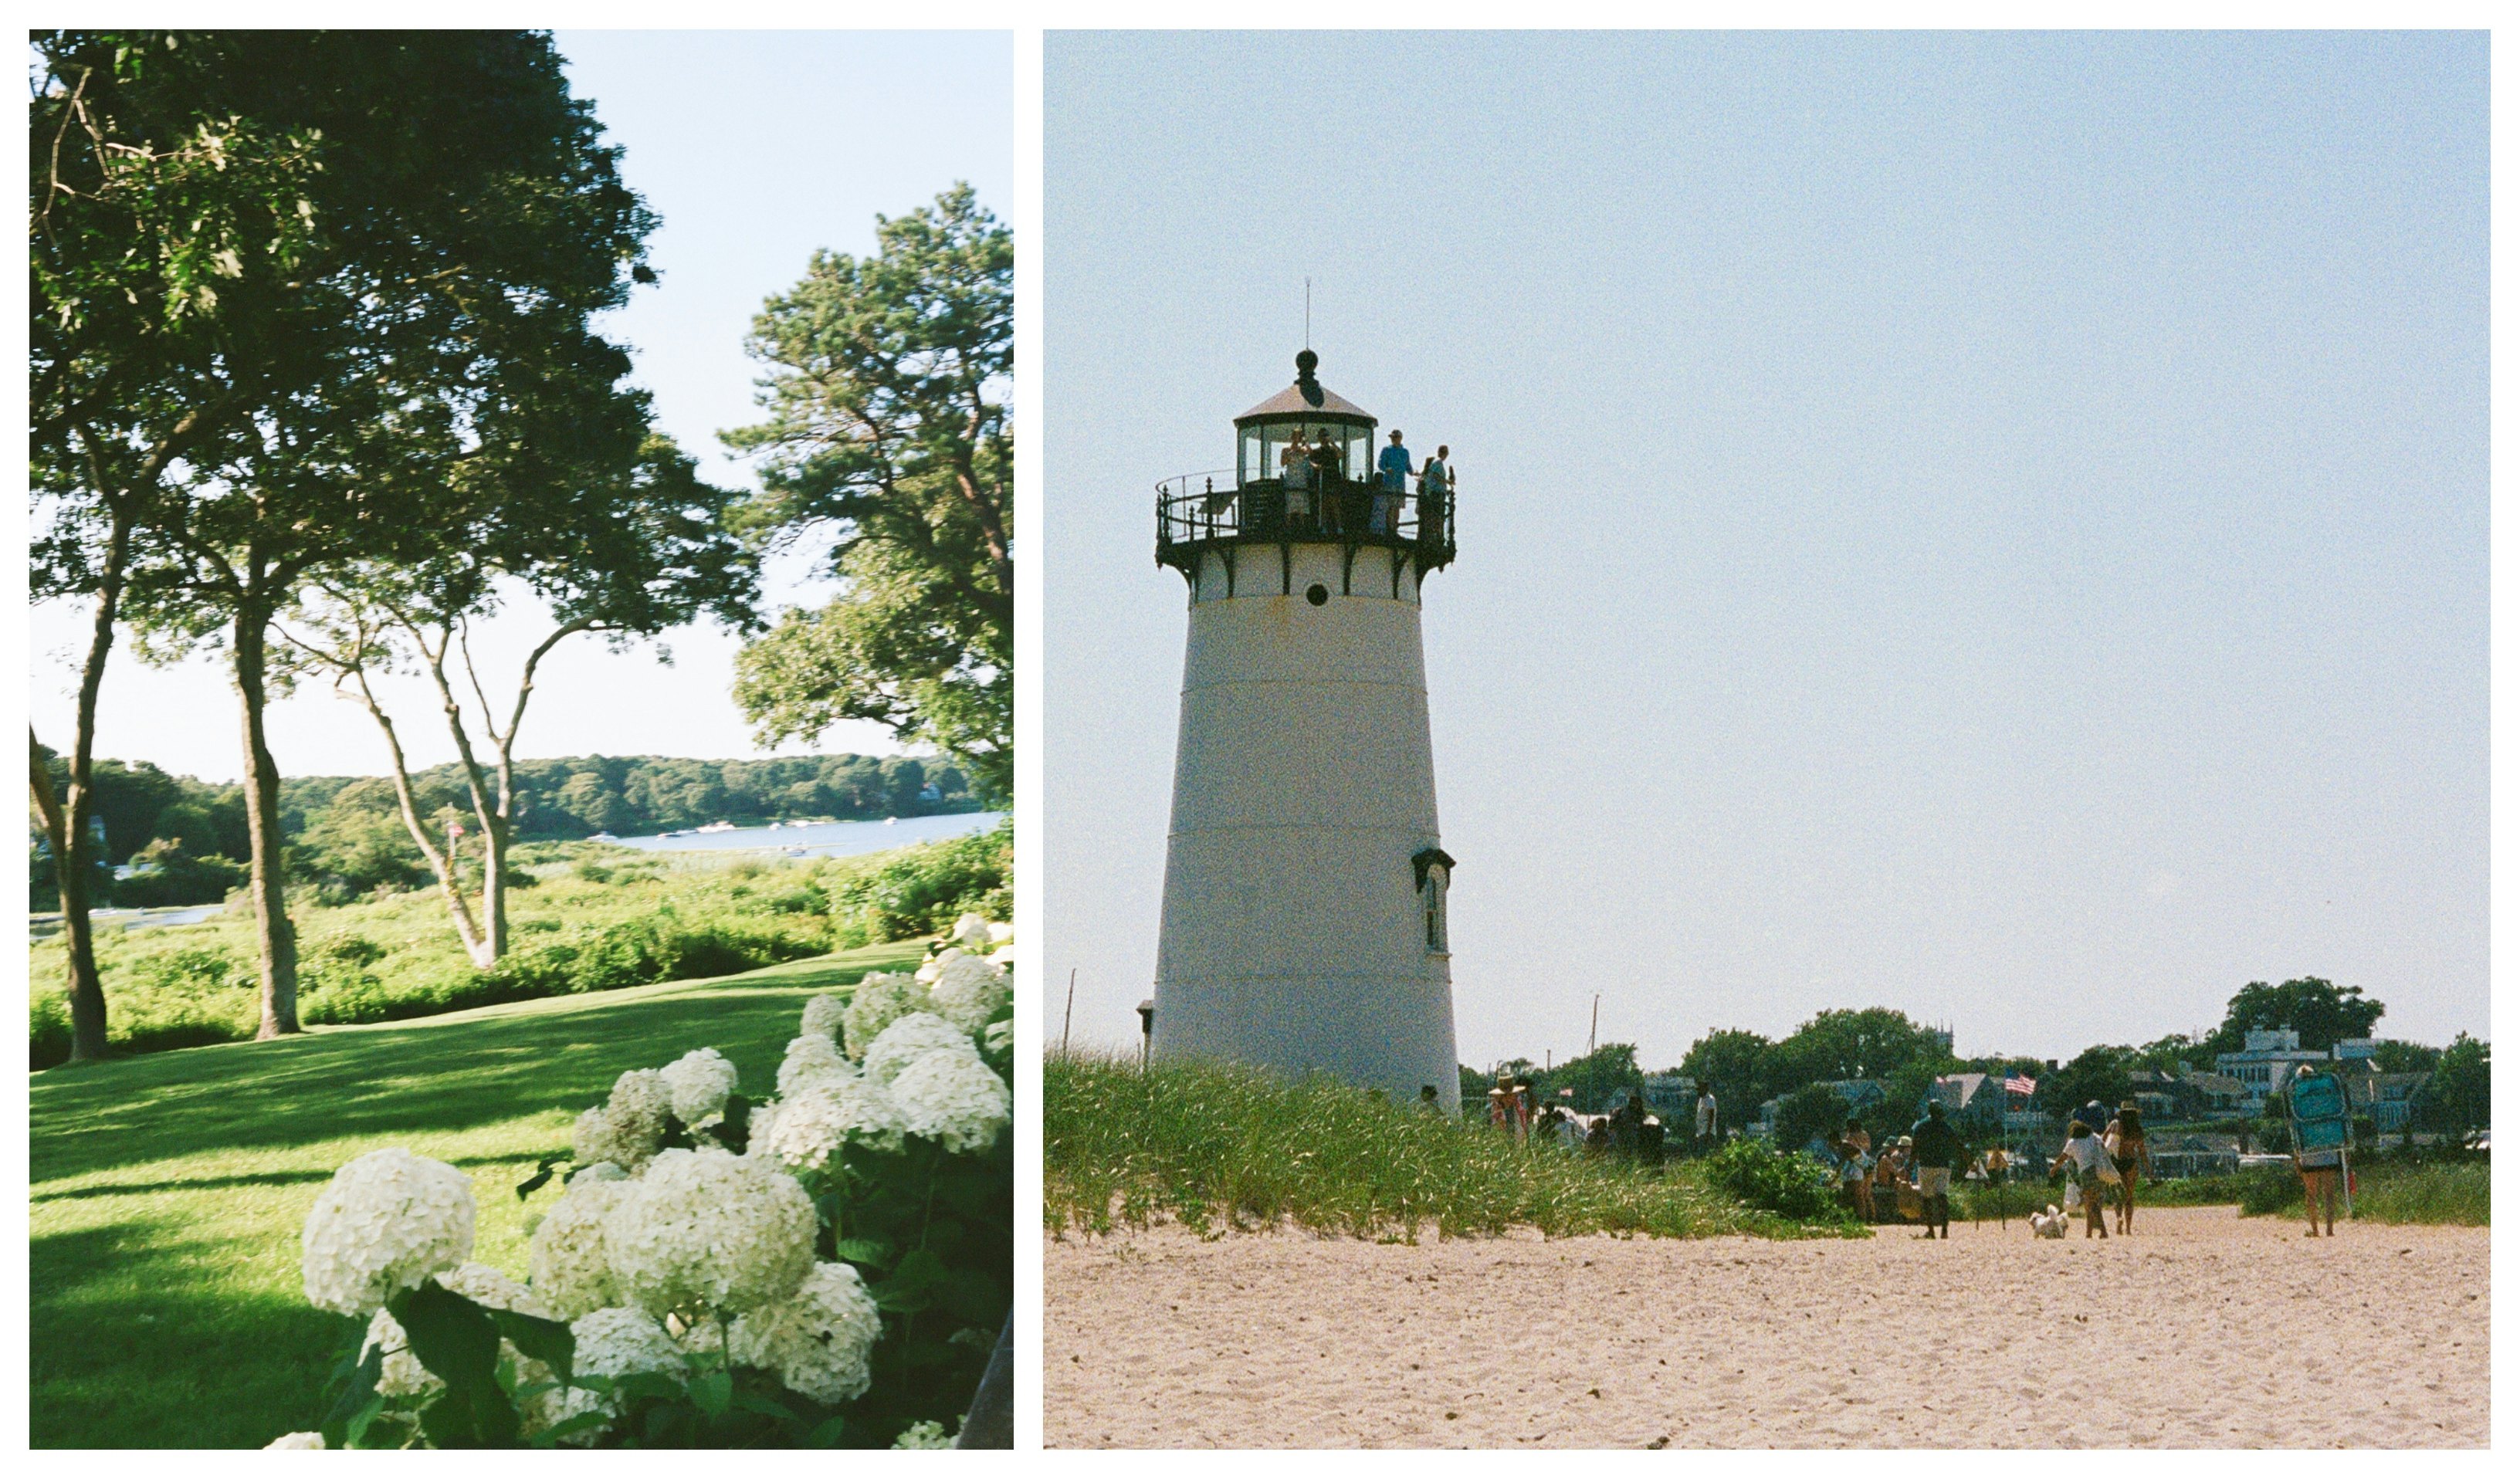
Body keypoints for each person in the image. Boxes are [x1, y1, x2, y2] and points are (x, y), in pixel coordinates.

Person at [2292, 1068, 2346, 1237]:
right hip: (2329, 1148)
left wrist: (2296, 1159)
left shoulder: (2297, 1098)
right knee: (2329, 1193)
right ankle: (2330, 1229)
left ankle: (2315, 1230)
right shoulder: (2327, 1094)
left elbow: (2294, 1130)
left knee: (2311, 1193)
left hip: (2309, 1150)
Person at [1907, 1100, 1962, 1239]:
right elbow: (1958, 1145)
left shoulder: (1921, 1127)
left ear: (1929, 1111)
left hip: (1925, 1165)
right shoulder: (1946, 1128)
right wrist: (1970, 1162)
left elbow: (1914, 1150)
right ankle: (1944, 1230)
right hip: (1943, 1166)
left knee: (1927, 1198)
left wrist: (1909, 1168)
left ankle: (1931, 1230)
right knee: (1942, 1196)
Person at [2051, 1120, 2110, 1239]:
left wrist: (2053, 1169)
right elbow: (2104, 1148)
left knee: (2092, 1204)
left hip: (2087, 1173)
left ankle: (2103, 1231)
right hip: (2100, 1173)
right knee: (2091, 1203)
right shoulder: (2094, 1137)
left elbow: (2062, 1158)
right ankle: (2089, 1233)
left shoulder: (2073, 1143)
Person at [2105, 1102, 2154, 1235]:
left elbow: (2103, 1141)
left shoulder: (2115, 1125)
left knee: (2117, 1195)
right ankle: (2128, 1228)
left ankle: (2119, 1220)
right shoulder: (2137, 1130)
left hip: (2116, 1162)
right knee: (2129, 1196)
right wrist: (2149, 1172)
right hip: (2131, 1162)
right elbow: (2142, 1152)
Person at [1838, 1117, 1875, 1220]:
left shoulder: (1850, 1137)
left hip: (1857, 1164)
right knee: (1867, 1194)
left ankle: (1861, 1218)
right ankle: (1872, 1217)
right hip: (1867, 1162)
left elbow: (1849, 1153)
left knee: (1858, 1195)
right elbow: (1868, 1149)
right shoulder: (1865, 1135)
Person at [1281, 430, 1313, 530]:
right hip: (1291, 479)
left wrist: (1305, 441)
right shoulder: (1286, 450)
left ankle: (1302, 528)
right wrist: (1291, 453)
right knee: (1290, 505)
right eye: (1295, 436)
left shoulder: (1303, 450)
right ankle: (1288, 527)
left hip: (1301, 479)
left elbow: (1310, 452)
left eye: (1299, 436)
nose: (1296, 438)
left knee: (1302, 507)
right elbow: (1283, 463)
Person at [1693, 1083, 1719, 1157]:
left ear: (1705, 1089)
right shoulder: (1701, 1100)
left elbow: (1711, 1116)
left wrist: (1708, 1133)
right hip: (1701, 1132)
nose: (1698, 1092)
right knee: (1701, 1155)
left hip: (1708, 1133)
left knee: (1707, 1155)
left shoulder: (1710, 1099)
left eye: (1699, 1090)